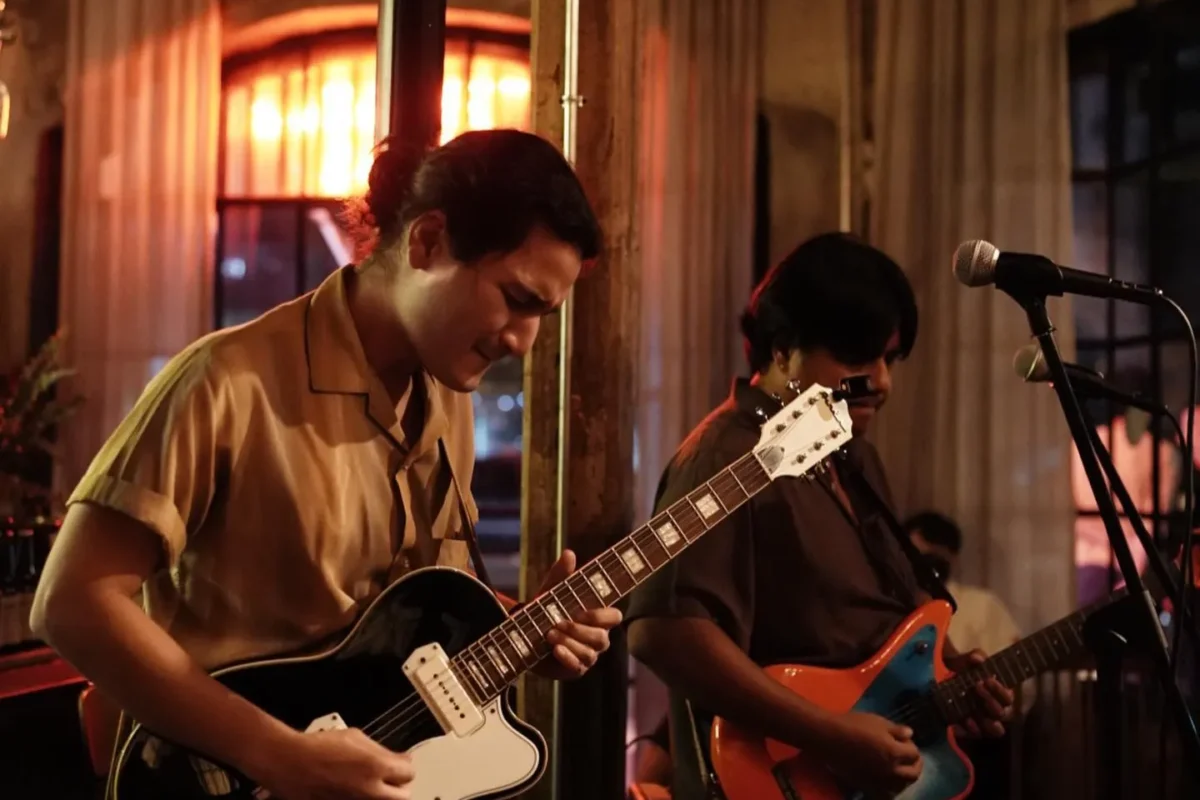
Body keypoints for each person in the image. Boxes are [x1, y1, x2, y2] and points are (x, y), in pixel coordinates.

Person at [31, 129, 622, 800]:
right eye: (517, 299)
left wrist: (523, 629)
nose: (524, 340)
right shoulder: (227, 381)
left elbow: (389, 630)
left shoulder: (444, 395)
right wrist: (277, 754)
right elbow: (70, 603)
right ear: (427, 242)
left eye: (544, 315)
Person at [624, 233, 1015, 800]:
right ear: (782, 350)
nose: (880, 382)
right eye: (858, 358)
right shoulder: (728, 455)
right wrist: (830, 736)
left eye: (890, 358)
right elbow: (665, 631)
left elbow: (856, 632)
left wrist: (949, 675)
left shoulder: (851, 453)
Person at [904, 511, 1021, 657]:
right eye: (915, 557)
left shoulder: (982, 605)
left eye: (932, 559)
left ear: (953, 558)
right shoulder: (889, 604)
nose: (924, 567)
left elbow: (1011, 660)